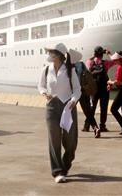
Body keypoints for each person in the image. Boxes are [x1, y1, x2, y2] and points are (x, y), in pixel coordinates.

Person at [37, 43, 81, 184]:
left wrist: (73, 101)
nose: (49, 54)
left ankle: (65, 164)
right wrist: (44, 93)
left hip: (68, 106)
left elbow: (77, 89)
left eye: (51, 52)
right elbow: (41, 85)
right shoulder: (46, 70)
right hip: (51, 107)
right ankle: (57, 171)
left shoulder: (70, 70)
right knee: (54, 140)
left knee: (71, 142)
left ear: (59, 55)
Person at [86, 46, 114, 136]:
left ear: (95, 54)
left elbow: (88, 60)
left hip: (94, 88)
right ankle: (102, 126)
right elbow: (114, 61)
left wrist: (94, 55)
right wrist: (108, 53)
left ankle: (87, 125)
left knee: (92, 108)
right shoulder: (105, 63)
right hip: (104, 89)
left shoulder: (90, 62)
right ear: (102, 54)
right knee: (103, 108)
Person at [73, 59, 97, 133]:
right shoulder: (81, 64)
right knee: (88, 111)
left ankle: (68, 131)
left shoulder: (69, 66)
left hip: (74, 92)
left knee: (68, 111)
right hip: (84, 90)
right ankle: (95, 127)